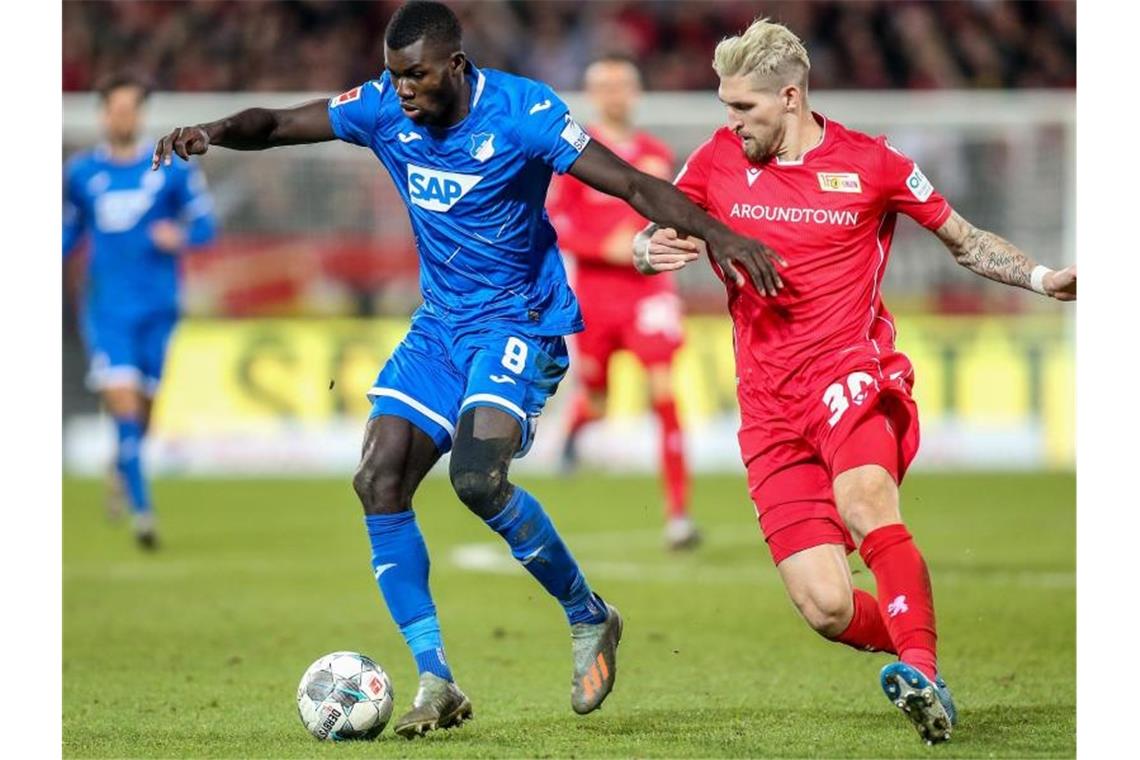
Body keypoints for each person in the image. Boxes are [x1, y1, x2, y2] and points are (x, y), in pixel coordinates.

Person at [152, 0, 783, 739]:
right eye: (394, 76)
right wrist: (217, 133)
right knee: (377, 478)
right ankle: (437, 677)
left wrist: (719, 236)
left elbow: (630, 186)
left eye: (416, 75)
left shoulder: (522, 112)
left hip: (519, 322)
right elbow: (286, 123)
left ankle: (589, 616)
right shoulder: (385, 108)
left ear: (454, 64)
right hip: (439, 329)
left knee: (477, 480)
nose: (403, 91)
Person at [634, 18, 1075, 746]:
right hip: (768, 409)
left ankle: (924, 674)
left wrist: (1038, 276)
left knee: (867, 502)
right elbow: (652, 230)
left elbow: (965, 242)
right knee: (826, 608)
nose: (731, 122)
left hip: (852, 372)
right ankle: (911, 651)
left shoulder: (873, 164)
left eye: (744, 108)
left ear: (792, 96)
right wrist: (647, 250)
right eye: (725, 107)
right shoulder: (715, 162)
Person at [547, 55, 696, 550]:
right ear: (593, 95)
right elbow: (555, 224)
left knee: (663, 389)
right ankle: (573, 433)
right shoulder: (572, 154)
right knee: (596, 398)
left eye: (624, 85)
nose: (616, 94)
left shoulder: (656, 153)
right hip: (595, 294)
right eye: (605, 85)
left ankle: (678, 515)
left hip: (648, 289)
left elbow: (670, 215)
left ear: (636, 92)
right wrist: (600, 247)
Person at [64, 73, 217, 550]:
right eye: (116, 108)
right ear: (104, 113)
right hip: (107, 309)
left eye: (131, 108)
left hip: (158, 308)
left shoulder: (171, 170)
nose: (123, 116)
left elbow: (206, 225)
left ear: (141, 114)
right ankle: (143, 515)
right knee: (125, 406)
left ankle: (122, 463)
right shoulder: (81, 173)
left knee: (143, 414)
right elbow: (68, 234)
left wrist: (182, 237)